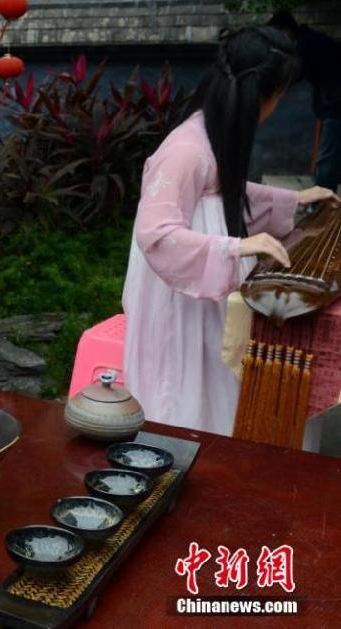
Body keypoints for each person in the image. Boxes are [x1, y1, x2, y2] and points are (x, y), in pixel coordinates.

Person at [121, 26, 339, 436]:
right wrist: (234, 247)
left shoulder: (211, 136)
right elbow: (155, 233)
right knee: (180, 389)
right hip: (177, 300)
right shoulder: (185, 149)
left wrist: (293, 201)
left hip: (197, 292)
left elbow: (221, 195)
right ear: (266, 96)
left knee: (210, 382)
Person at [268, 11, 341, 193]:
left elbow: (294, 74)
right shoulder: (310, 40)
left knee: (327, 158)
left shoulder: (305, 44)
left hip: (336, 104)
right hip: (332, 102)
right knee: (329, 156)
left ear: (285, 31)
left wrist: (269, 86)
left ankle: (323, 203)